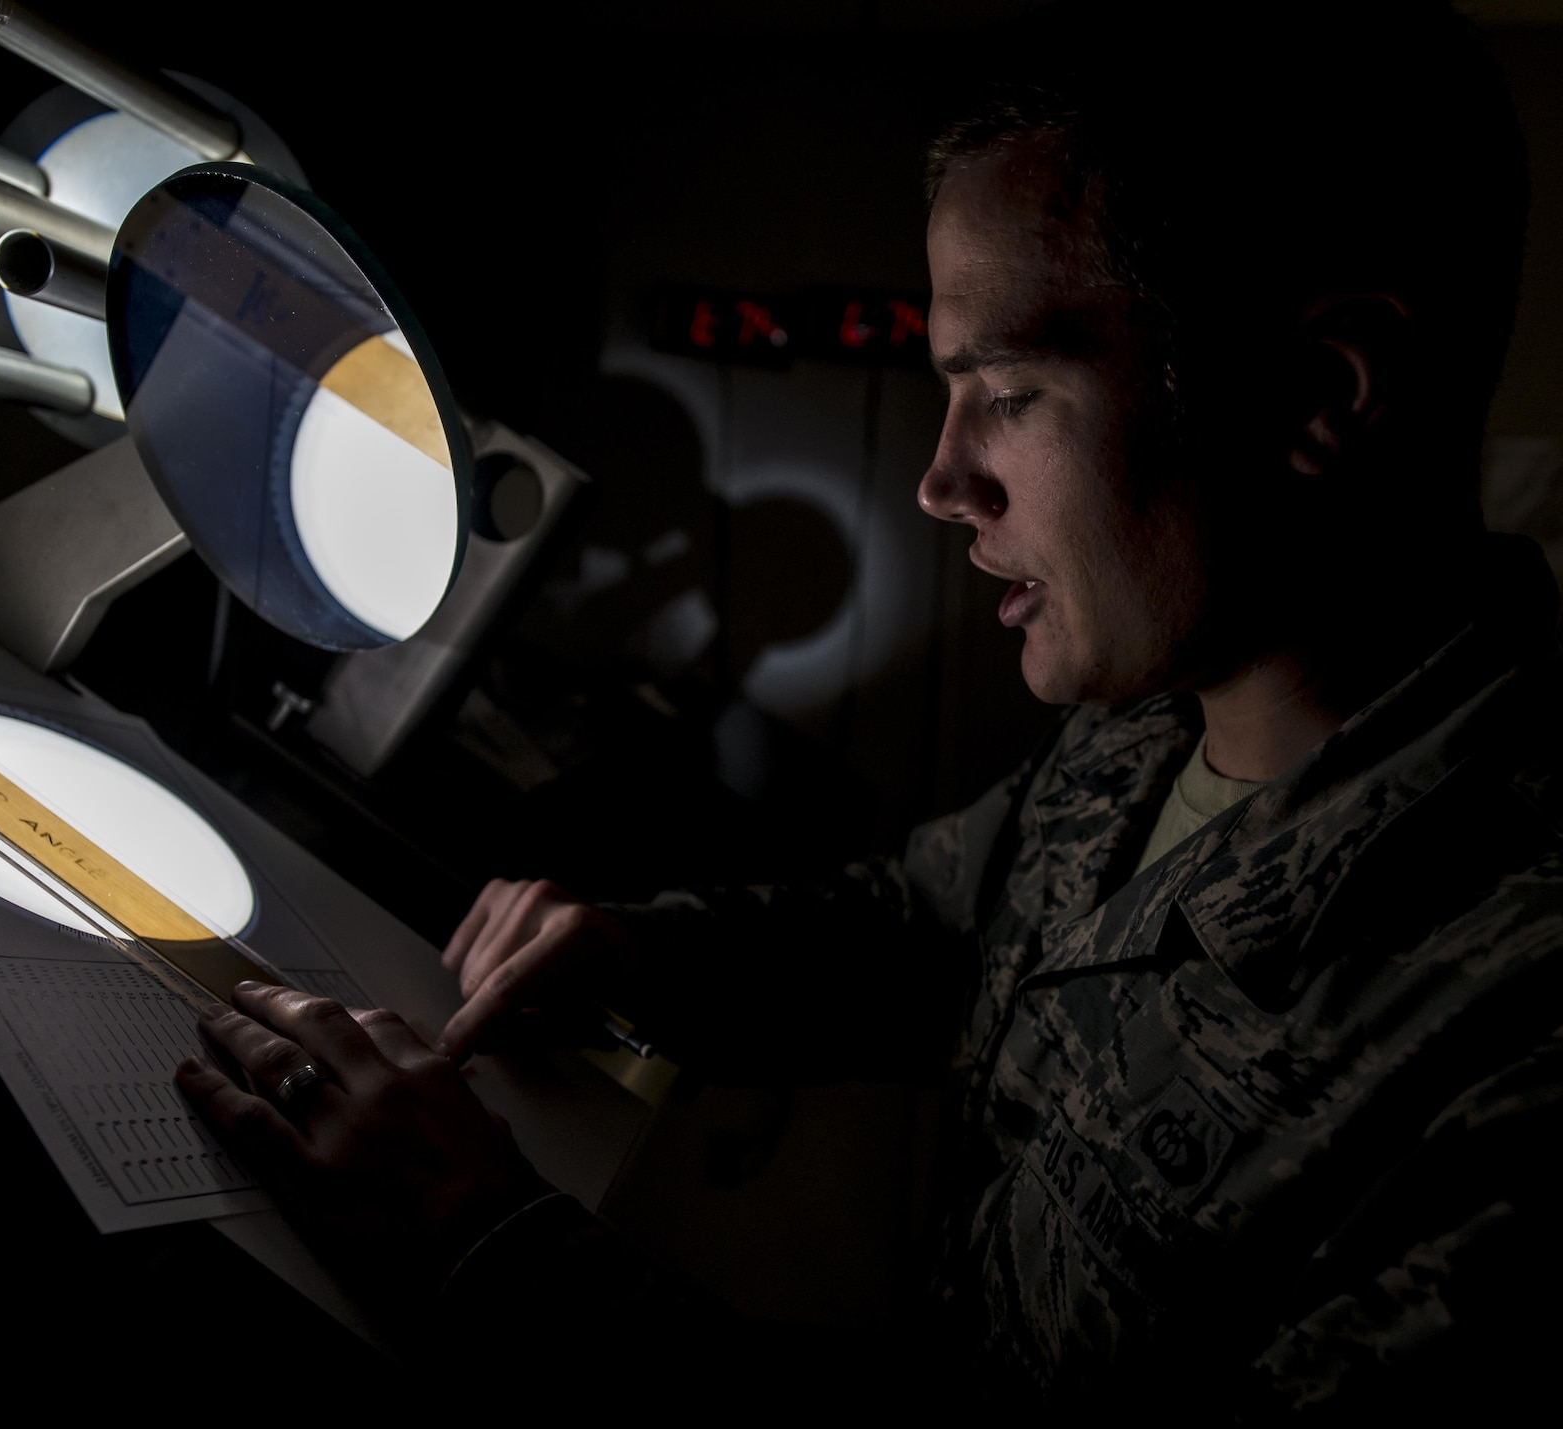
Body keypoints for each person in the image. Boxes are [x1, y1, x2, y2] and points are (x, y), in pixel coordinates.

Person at [175, 0, 1563, 1410]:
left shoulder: (1513, 1036)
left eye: (1011, 392)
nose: (943, 480)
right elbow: (936, 922)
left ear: (1320, 395)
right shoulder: (1159, 715)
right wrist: (644, 955)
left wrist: (490, 1252)